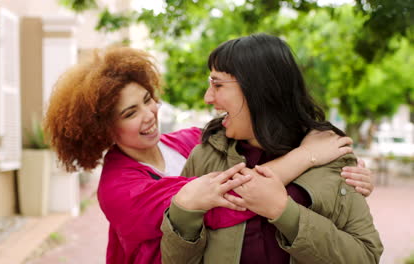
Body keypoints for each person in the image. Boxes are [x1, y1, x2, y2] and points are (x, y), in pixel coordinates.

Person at [43, 46, 374, 264]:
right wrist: (308, 158)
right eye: (129, 113)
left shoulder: (189, 143)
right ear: (102, 129)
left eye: (147, 99)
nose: (149, 114)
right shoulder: (120, 188)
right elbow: (225, 201)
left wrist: (342, 174)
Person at [160, 33, 383, 264]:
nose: (208, 97)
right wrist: (184, 212)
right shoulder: (205, 156)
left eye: (217, 85)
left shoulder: (333, 155)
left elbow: (365, 256)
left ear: (258, 88)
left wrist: (284, 212)